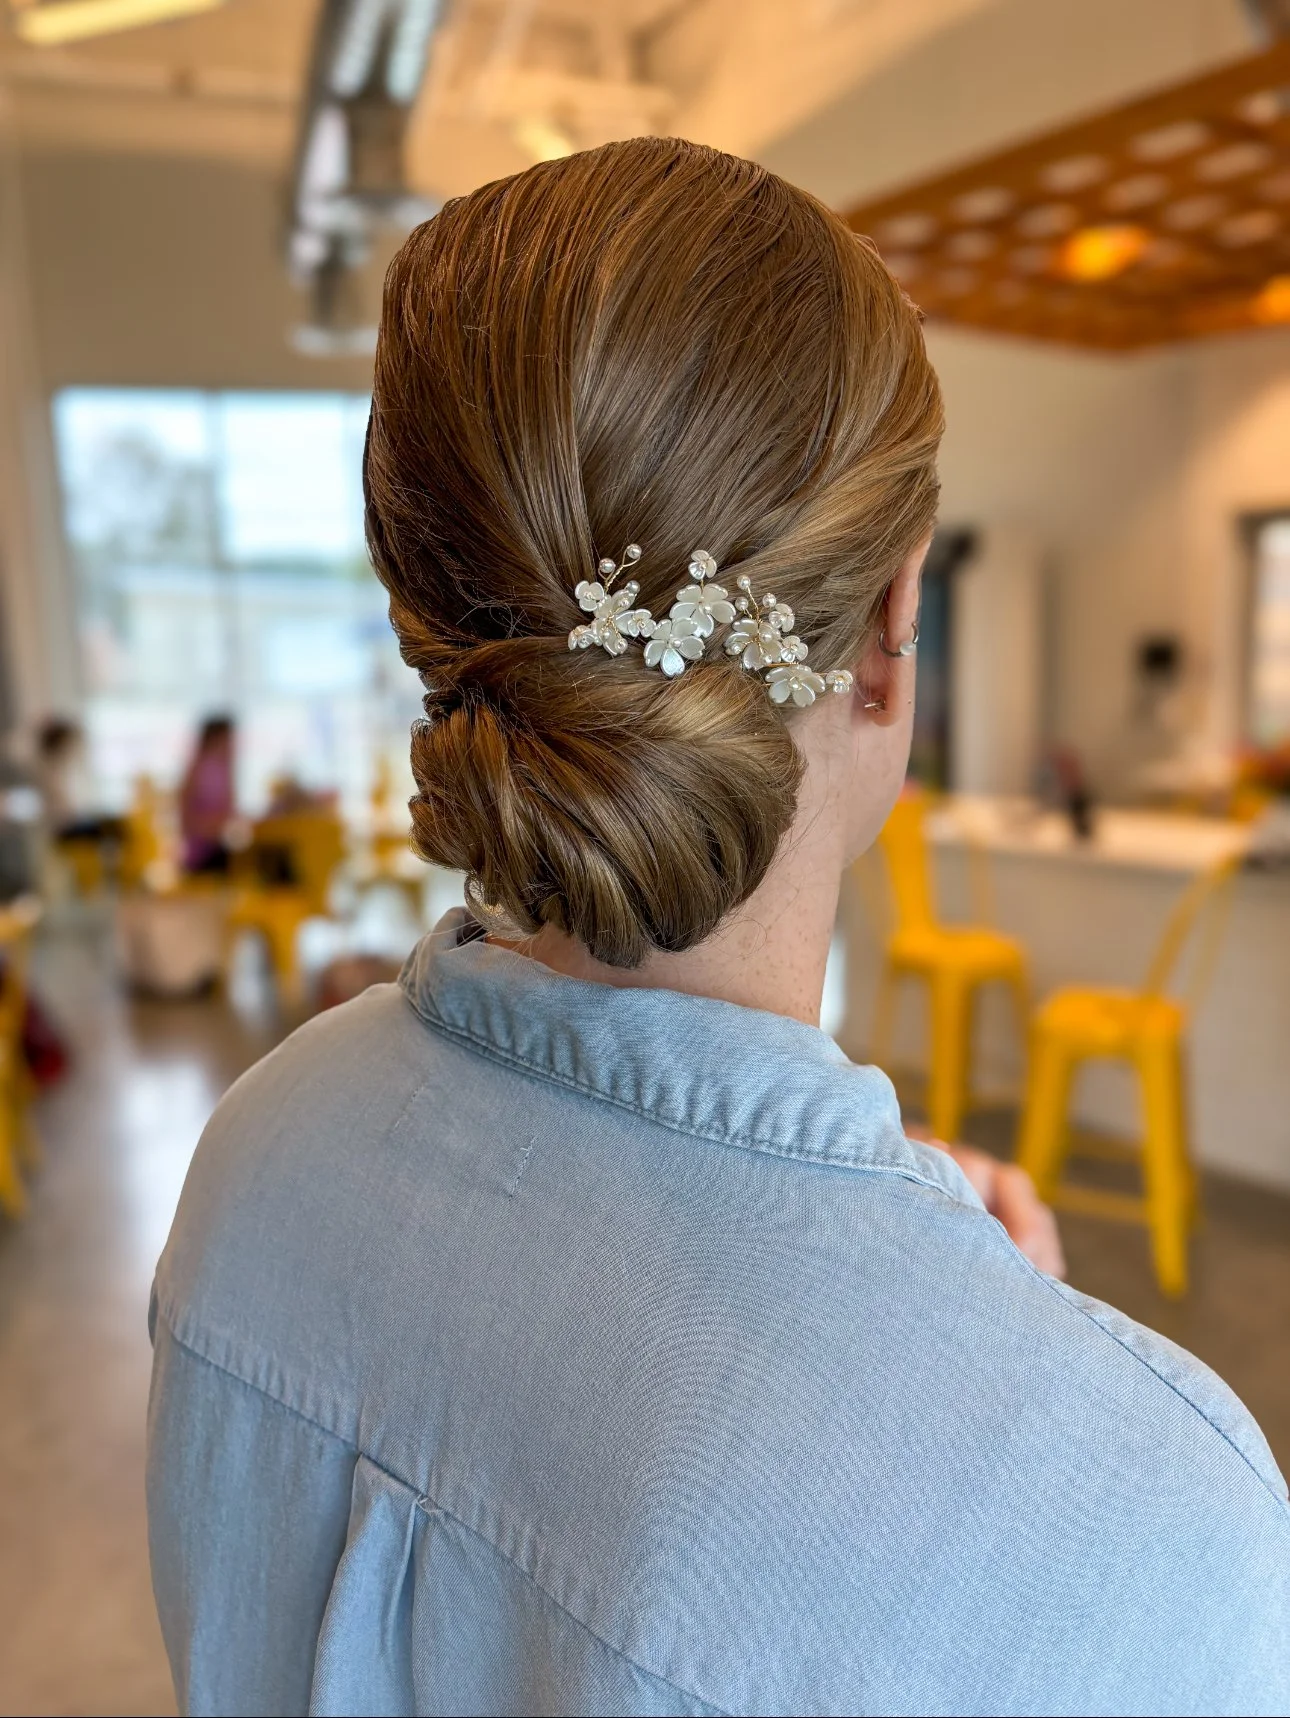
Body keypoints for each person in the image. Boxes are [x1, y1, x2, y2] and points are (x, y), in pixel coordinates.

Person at [146, 139, 1289, 1716]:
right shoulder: (1168, 1527)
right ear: (891, 639)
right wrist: (989, 1372)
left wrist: (944, 1313)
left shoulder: (256, 1153)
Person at [177, 715, 235, 875]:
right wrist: (212, 826)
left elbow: (229, 813)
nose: (232, 744)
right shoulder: (195, 770)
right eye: (228, 738)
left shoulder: (225, 769)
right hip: (199, 853)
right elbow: (185, 820)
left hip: (219, 846)